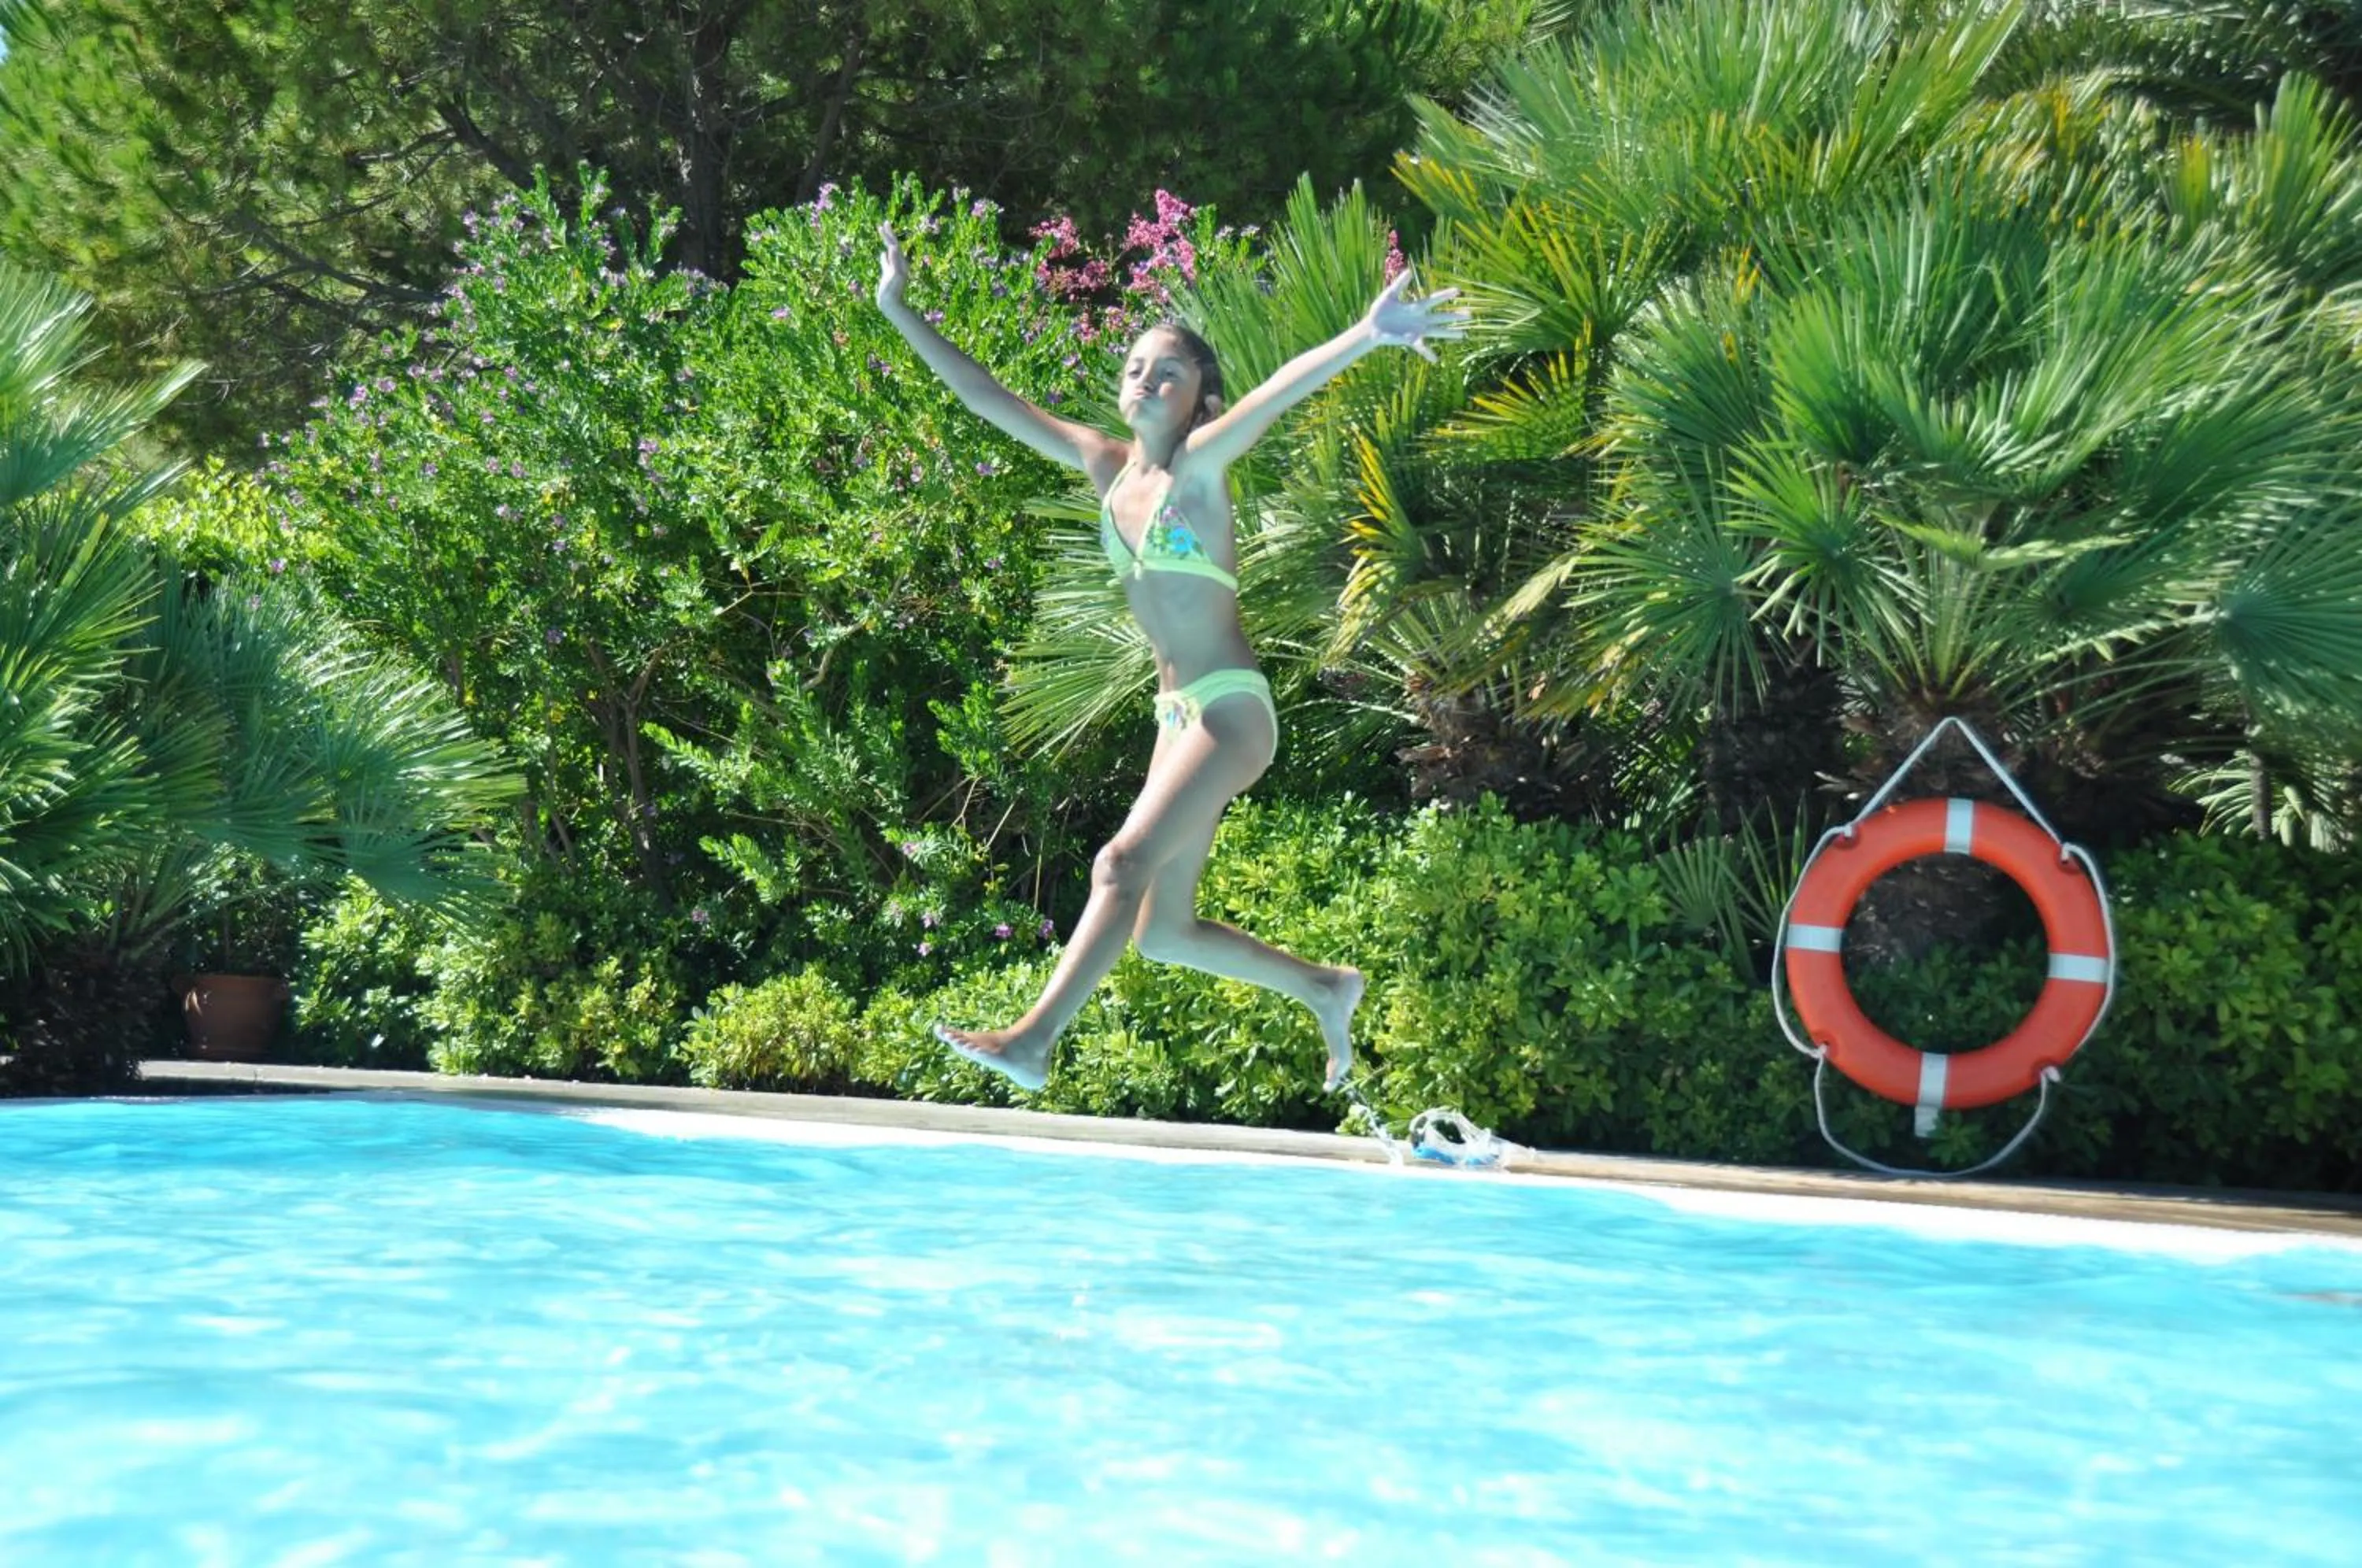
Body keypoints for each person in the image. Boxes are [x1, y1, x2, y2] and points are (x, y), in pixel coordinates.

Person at [875, 220, 1466, 1094]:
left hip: (1229, 709)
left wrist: (1367, 334)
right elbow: (983, 395)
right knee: (1161, 932)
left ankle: (1033, 1041)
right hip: (1175, 716)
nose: (1146, 381)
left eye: (1169, 374)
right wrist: (897, 309)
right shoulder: (1105, 465)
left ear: (1199, 400)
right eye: (1135, 368)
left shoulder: (1200, 467)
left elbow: (1276, 394)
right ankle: (1326, 987)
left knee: (1118, 864)